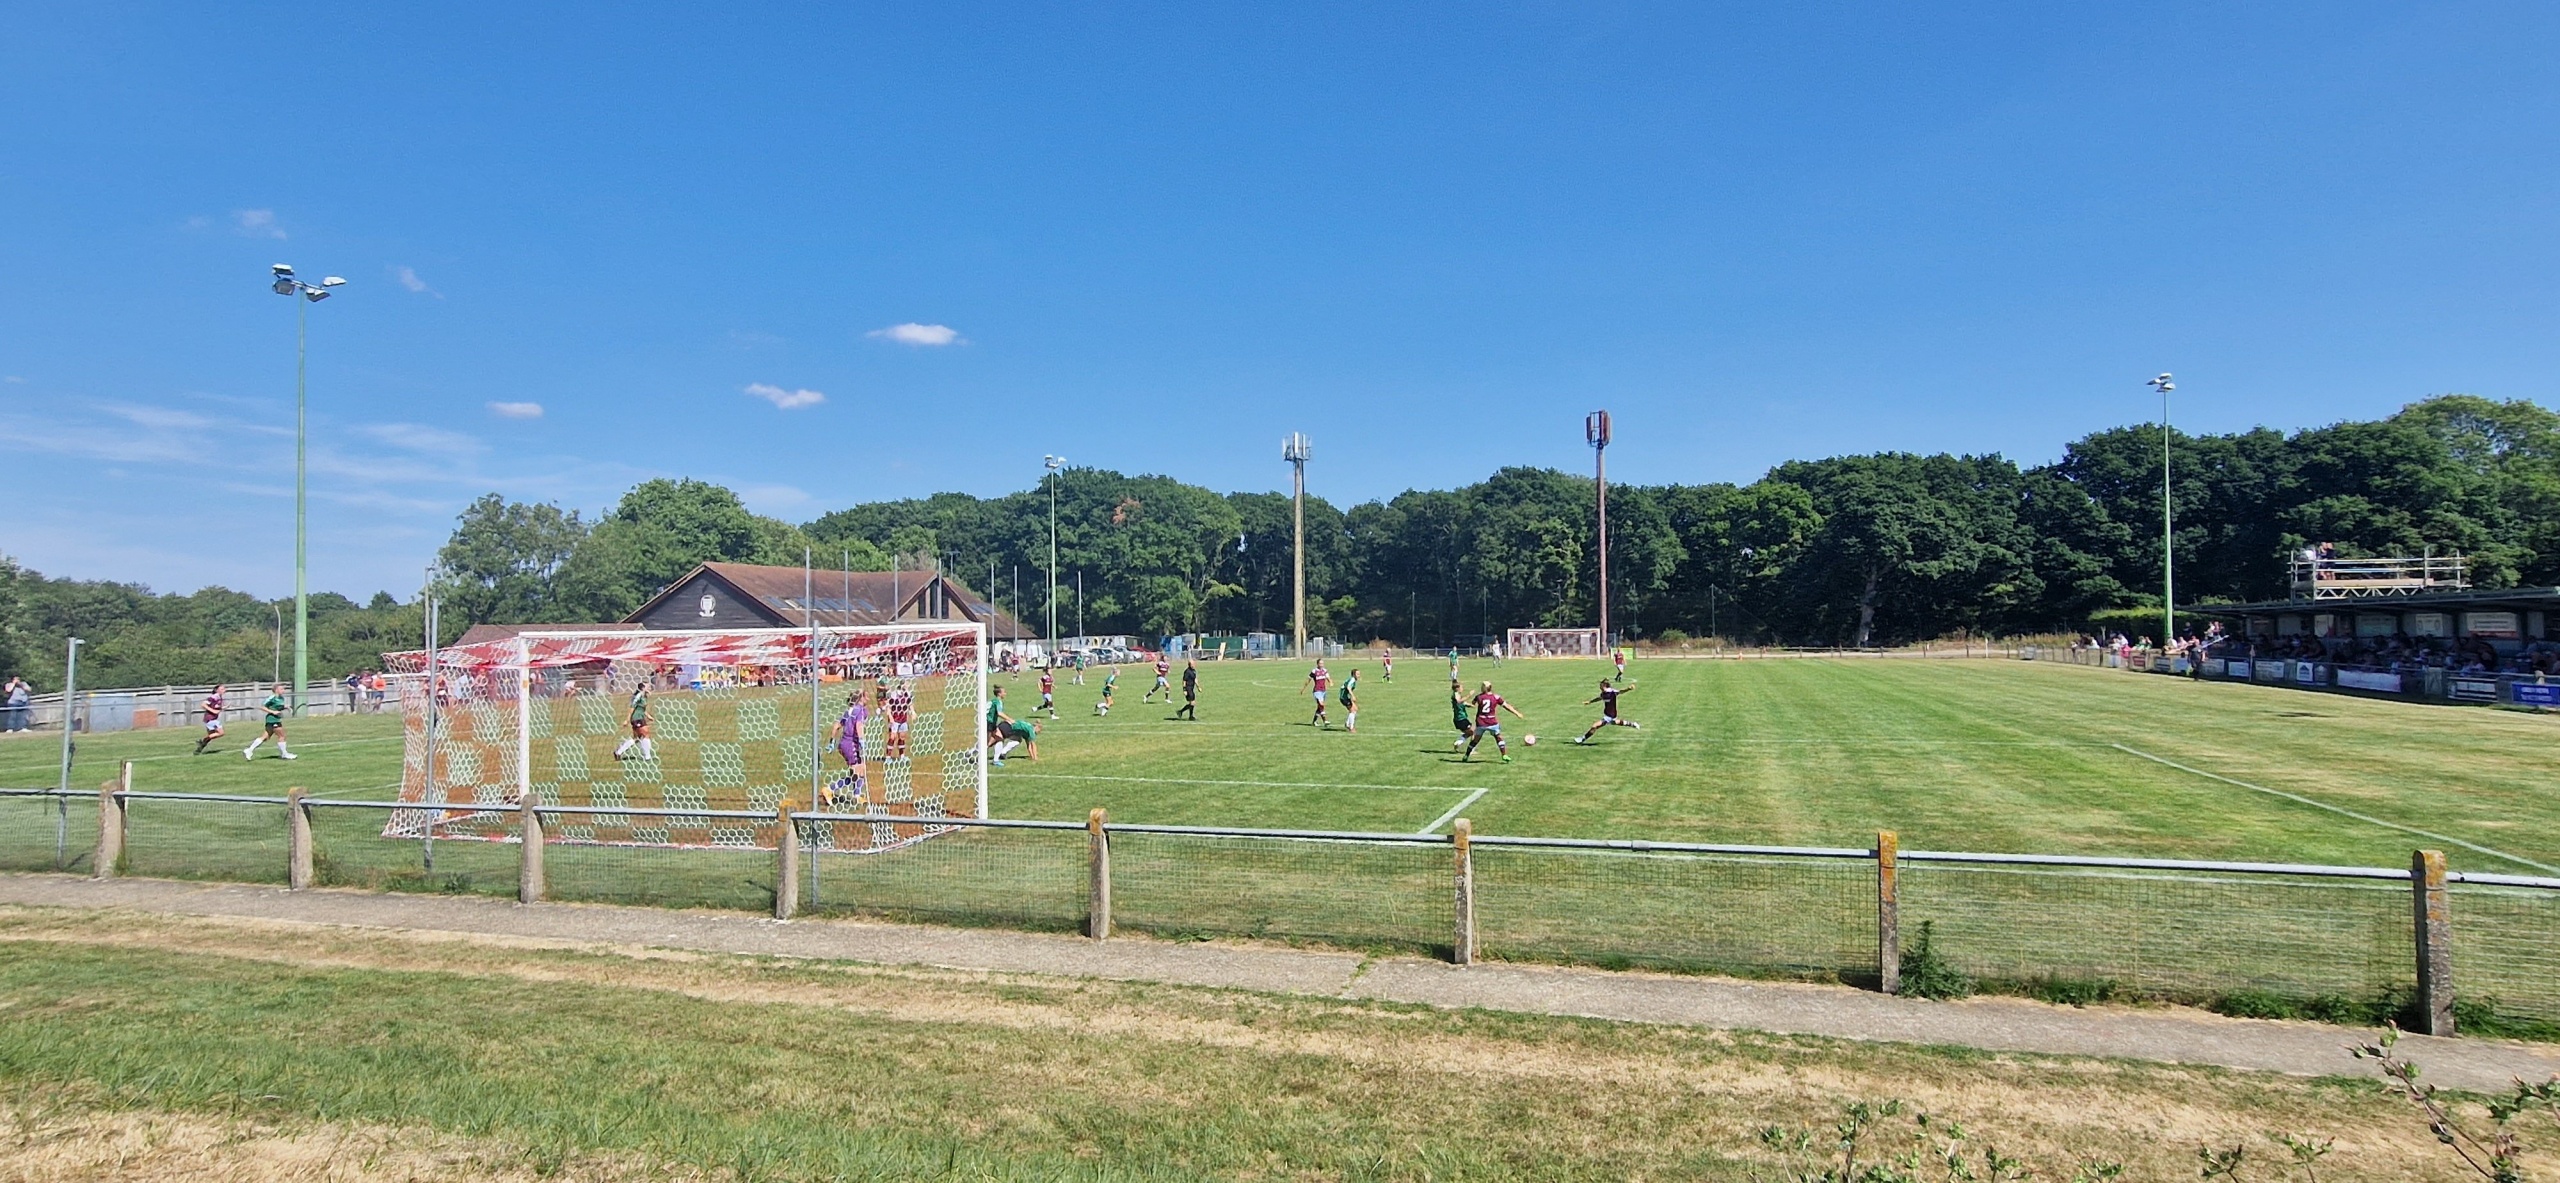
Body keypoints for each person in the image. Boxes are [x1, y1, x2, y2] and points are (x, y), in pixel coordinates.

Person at [822, 691, 869, 810]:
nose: (868, 698)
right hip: (850, 744)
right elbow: (859, 726)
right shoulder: (860, 711)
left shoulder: (848, 711)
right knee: (858, 771)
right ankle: (829, 789)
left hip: (844, 743)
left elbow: (836, 726)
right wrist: (862, 740)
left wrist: (832, 742)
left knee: (860, 771)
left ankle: (857, 796)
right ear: (860, 699)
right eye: (866, 696)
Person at [1461, 680, 1526, 763]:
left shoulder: (1479, 697)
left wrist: (1464, 703)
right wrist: (1517, 713)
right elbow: (1506, 706)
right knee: (1498, 737)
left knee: (1475, 740)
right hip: (1492, 721)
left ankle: (1466, 755)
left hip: (1481, 722)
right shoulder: (1496, 697)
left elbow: (1472, 704)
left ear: (1484, 688)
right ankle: (1504, 755)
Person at [1574, 678, 1641, 744]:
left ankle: (1582, 739)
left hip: (1610, 715)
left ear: (1604, 686)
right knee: (1616, 722)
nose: (1599, 687)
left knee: (1594, 726)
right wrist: (1590, 702)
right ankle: (1633, 724)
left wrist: (1628, 689)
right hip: (1609, 714)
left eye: (1600, 686)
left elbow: (1621, 691)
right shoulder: (1603, 693)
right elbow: (1599, 698)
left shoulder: (1612, 692)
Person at [241, 683, 296, 760]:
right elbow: (262, 707)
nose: (283, 690)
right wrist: (272, 712)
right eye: (281, 689)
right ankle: (284, 754)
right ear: (276, 690)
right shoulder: (272, 697)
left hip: (276, 718)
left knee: (265, 737)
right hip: (272, 719)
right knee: (282, 736)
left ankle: (249, 750)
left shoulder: (281, 698)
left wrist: (286, 707)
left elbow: (278, 707)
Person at [612, 683, 653, 761]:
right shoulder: (638, 696)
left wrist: (648, 716)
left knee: (636, 738)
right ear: (643, 688)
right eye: (648, 686)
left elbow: (641, 708)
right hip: (636, 718)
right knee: (645, 733)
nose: (650, 687)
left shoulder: (644, 696)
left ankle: (618, 752)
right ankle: (647, 757)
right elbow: (632, 708)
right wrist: (627, 720)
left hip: (640, 717)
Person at [883, 679, 913, 762]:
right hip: (895, 719)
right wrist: (890, 717)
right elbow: (888, 706)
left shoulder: (907, 694)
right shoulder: (894, 695)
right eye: (906, 684)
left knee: (902, 737)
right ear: (902, 685)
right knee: (893, 737)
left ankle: (902, 756)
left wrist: (912, 712)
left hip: (903, 719)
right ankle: (888, 757)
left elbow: (909, 704)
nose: (908, 686)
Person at [192, 685, 226, 755]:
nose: (224, 690)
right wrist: (213, 711)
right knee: (221, 733)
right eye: (222, 689)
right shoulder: (213, 697)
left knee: (211, 736)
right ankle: (202, 740)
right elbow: (203, 705)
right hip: (210, 718)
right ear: (217, 690)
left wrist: (223, 708)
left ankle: (198, 750)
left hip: (211, 718)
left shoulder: (219, 697)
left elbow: (216, 706)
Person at [1305, 659, 1332, 728]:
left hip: (1323, 690)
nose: (1321, 665)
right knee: (1321, 704)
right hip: (1317, 691)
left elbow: (1328, 677)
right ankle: (1325, 720)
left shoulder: (1325, 671)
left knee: (1319, 707)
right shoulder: (1314, 671)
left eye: (1322, 663)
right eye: (1320, 663)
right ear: (1317, 664)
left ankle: (1314, 721)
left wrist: (1330, 682)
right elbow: (1308, 679)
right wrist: (1304, 688)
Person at [1449, 678, 1474, 749]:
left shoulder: (1458, 695)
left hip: (1460, 719)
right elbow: (1459, 701)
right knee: (1474, 732)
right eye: (1461, 687)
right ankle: (1471, 750)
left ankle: (1458, 742)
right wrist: (1469, 695)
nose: (1463, 688)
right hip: (1461, 719)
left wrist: (1470, 705)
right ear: (1457, 688)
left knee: (1469, 733)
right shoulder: (1456, 694)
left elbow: (1462, 703)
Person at [1338, 666, 1359, 733]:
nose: (1359, 675)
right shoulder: (1352, 679)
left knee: (1355, 709)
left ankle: (1347, 724)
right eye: (1357, 674)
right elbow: (1348, 687)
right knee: (1352, 710)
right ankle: (1351, 727)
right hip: (1344, 697)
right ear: (1353, 674)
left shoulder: (1352, 679)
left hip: (1346, 697)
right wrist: (1352, 696)